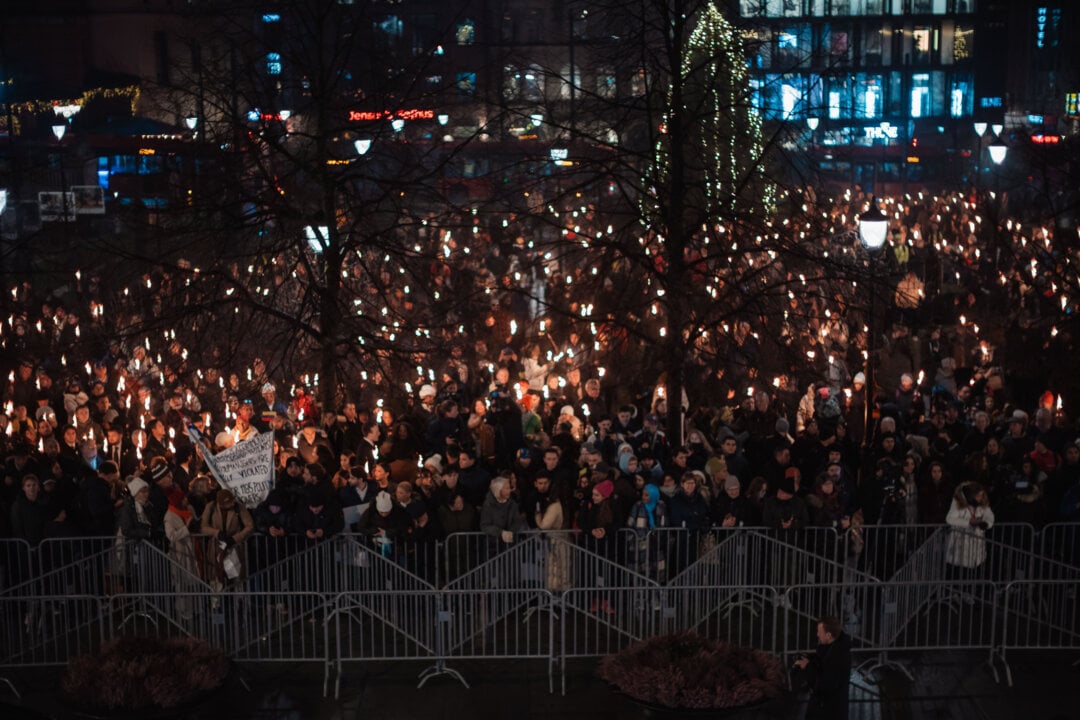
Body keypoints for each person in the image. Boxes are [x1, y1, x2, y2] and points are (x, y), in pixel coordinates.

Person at [793, 616, 851, 720]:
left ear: (828, 635)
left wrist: (807, 666)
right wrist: (810, 659)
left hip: (829, 712)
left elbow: (823, 685)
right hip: (825, 707)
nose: (817, 635)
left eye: (819, 632)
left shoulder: (838, 656)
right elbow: (822, 664)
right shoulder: (832, 647)